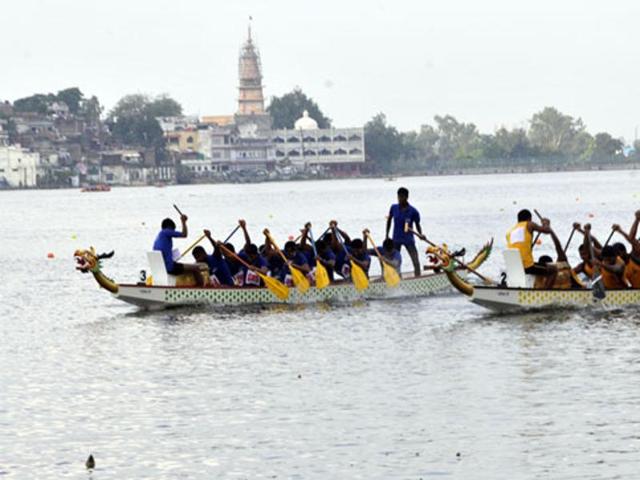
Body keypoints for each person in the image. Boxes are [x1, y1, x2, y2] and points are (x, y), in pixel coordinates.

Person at [506, 209, 556, 286]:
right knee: (553, 270)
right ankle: (545, 292)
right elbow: (547, 230)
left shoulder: (510, 231)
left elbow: (520, 246)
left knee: (542, 266)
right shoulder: (529, 224)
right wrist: (546, 223)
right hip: (527, 267)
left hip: (515, 267)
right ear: (529, 219)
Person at [152, 215, 204, 286]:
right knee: (196, 268)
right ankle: (201, 289)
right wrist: (183, 222)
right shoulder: (166, 232)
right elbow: (184, 234)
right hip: (170, 268)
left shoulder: (157, 239)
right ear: (169, 228)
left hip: (162, 268)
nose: (172, 232)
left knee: (186, 266)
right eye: (172, 230)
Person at [386, 187, 422, 277]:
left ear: (406, 197)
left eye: (402, 197)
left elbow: (417, 224)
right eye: (398, 197)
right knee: (394, 261)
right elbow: (389, 220)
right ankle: (397, 277)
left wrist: (420, 234)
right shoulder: (393, 208)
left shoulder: (413, 211)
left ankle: (418, 276)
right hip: (396, 239)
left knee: (415, 260)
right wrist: (386, 234)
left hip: (408, 239)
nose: (400, 199)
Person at [612, 214, 640, 287]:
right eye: (616, 255)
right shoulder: (621, 267)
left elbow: (632, 239)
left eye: (618, 254)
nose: (618, 257)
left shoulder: (635, 256)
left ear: (624, 251)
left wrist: (637, 220)